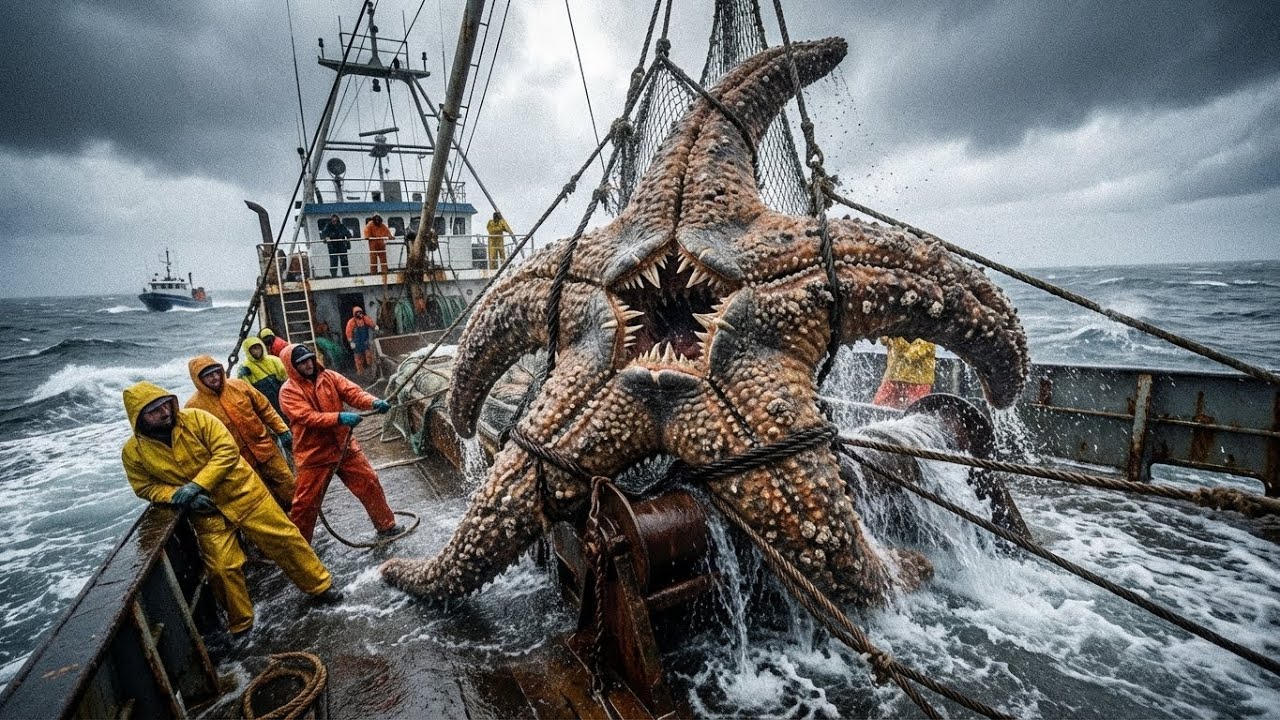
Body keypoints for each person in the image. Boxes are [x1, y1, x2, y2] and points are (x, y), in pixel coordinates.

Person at [121, 381, 341, 636]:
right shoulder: (133, 453)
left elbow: (226, 452)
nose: (164, 413)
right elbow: (145, 486)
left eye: (165, 405)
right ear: (139, 418)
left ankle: (321, 586)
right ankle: (241, 623)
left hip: (244, 494)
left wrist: (196, 485)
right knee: (221, 568)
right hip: (207, 512)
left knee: (285, 541)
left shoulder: (198, 419)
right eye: (154, 411)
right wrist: (175, 496)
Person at [278, 343, 399, 542]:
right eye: (301, 363)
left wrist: (373, 402)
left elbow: (353, 393)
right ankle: (299, 546)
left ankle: (386, 526)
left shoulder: (330, 377)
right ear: (292, 367)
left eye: (309, 359)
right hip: (313, 453)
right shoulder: (288, 391)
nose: (308, 364)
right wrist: (339, 418)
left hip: (344, 446)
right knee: (304, 504)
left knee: (369, 482)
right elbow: (307, 417)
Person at [187, 356, 296, 510]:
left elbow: (265, 409)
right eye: (208, 376)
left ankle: (301, 517)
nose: (215, 377)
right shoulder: (193, 407)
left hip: (266, 448)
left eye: (216, 372)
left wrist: (282, 430)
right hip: (239, 463)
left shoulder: (240, 385)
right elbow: (199, 445)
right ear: (198, 380)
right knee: (262, 497)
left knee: (288, 484)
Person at [872, 336, 937, 409]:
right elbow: (883, 339)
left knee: (917, 409)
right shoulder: (895, 335)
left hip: (918, 380)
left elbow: (912, 355)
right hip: (895, 376)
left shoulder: (927, 337)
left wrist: (895, 340)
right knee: (879, 407)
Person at [236, 337, 289, 415]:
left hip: (282, 397)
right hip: (264, 403)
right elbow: (246, 391)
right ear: (248, 351)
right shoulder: (244, 369)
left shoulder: (274, 360)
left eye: (258, 348)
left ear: (262, 347)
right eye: (253, 349)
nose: (256, 351)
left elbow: (286, 378)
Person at [344, 306, 377, 373]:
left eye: (360, 312)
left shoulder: (365, 318)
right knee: (358, 357)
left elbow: (371, 323)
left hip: (365, 341)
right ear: (355, 314)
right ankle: (360, 371)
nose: (359, 314)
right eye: (357, 313)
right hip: (356, 342)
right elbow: (348, 332)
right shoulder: (351, 322)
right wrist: (351, 341)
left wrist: (375, 326)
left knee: (369, 355)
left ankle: (371, 369)